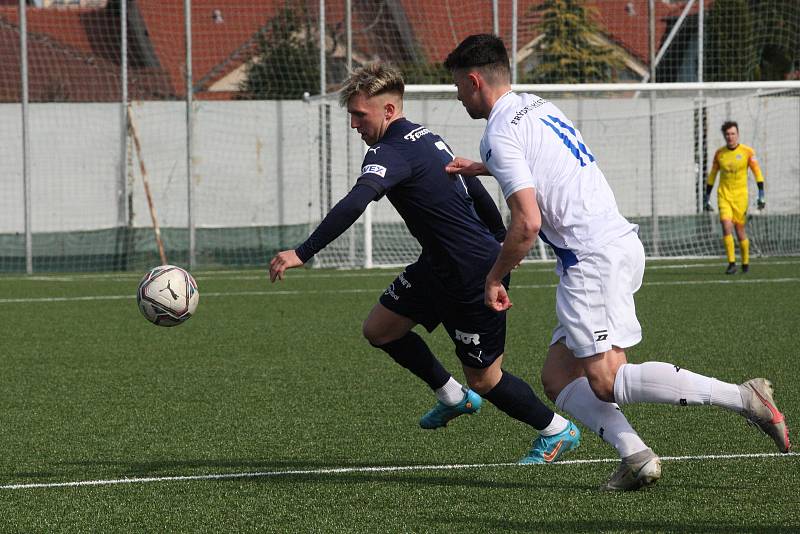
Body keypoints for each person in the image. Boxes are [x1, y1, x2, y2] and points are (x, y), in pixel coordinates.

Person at [443, 34, 790, 490]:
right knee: (558, 376)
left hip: (589, 260)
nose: (457, 96)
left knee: (606, 380)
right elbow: (547, 161)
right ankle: (636, 456)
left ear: (474, 81)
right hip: (615, 242)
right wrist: (484, 166)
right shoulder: (538, 106)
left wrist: (494, 276)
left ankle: (743, 398)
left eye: (456, 87)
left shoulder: (498, 133)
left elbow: (526, 223)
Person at [268, 62, 581, 463]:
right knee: (380, 329)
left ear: (388, 111)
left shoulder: (390, 150)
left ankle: (556, 429)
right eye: (351, 116)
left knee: (485, 380)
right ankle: (452, 396)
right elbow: (471, 184)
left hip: (472, 275)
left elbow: (356, 202)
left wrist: (302, 252)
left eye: (359, 116)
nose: (353, 125)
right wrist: (500, 236)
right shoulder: (428, 137)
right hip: (438, 266)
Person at [704, 121, 766, 274]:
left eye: (733, 134)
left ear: (737, 134)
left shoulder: (747, 152)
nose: (730, 137)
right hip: (724, 195)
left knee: (739, 231)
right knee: (726, 226)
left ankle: (745, 262)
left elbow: (757, 173)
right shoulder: (720, 154)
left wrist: (761, 195)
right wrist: (706, 197)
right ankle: (732, 263)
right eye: (727, 134)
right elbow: (712, 175)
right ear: (724, 136)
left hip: (741, 197)